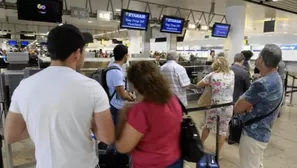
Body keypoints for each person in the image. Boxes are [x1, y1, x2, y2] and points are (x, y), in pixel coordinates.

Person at [4, 24, 115, 168]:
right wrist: (88, 124)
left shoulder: (24, 86)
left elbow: (11, 135)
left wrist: (41, 126)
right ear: (77, 53)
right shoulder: (91, 88)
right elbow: (107, 137)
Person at [115, 61, 183, 168]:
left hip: (151, 164)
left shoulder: (141, 111)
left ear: (136, 87)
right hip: (175, 160)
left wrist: (122, 115)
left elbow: (122, 147)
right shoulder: (173, 100)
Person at [234, 44, 283, 168]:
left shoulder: (261, 84)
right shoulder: (276, 78)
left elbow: (238, 107)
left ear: (261, 59)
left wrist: (245, 101)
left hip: (252, 135)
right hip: (264, 132)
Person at [197, 57, 234, 158]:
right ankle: (218, 154)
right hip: (228, 106)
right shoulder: (231, 74)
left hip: (214, 106)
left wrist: (208, 84)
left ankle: (200, 146)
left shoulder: (212, 75)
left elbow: (198, 85)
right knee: (223, 130)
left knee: (207, 125)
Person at [106, 45, 134, 125]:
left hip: (114, 104)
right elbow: (122, 95)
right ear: (125, 56)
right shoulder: (116, 72)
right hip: (116, 107)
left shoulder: (112, 67)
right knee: (117, 133)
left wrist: (127, 94)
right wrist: (133, 99)